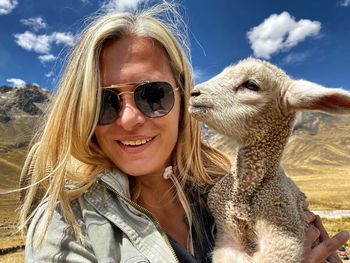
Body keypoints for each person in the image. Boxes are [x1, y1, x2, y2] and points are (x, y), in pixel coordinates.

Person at [19, 3, 349, 263]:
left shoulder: (225, 190)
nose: (129, 119)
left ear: (182, 97)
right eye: (104, 102)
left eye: (153, 95)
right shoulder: (64, 231)